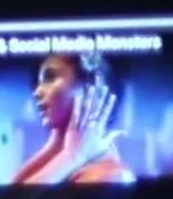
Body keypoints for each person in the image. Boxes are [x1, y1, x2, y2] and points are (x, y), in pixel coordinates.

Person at [11, 52, 135, 185]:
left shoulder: (111, 177)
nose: (37, 92)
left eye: (50, 78)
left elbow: (21, 198)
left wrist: (72, 156)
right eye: (38, 83)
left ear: (91, 88)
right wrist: (57, 145)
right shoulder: (67, 159)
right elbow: (10, 195)